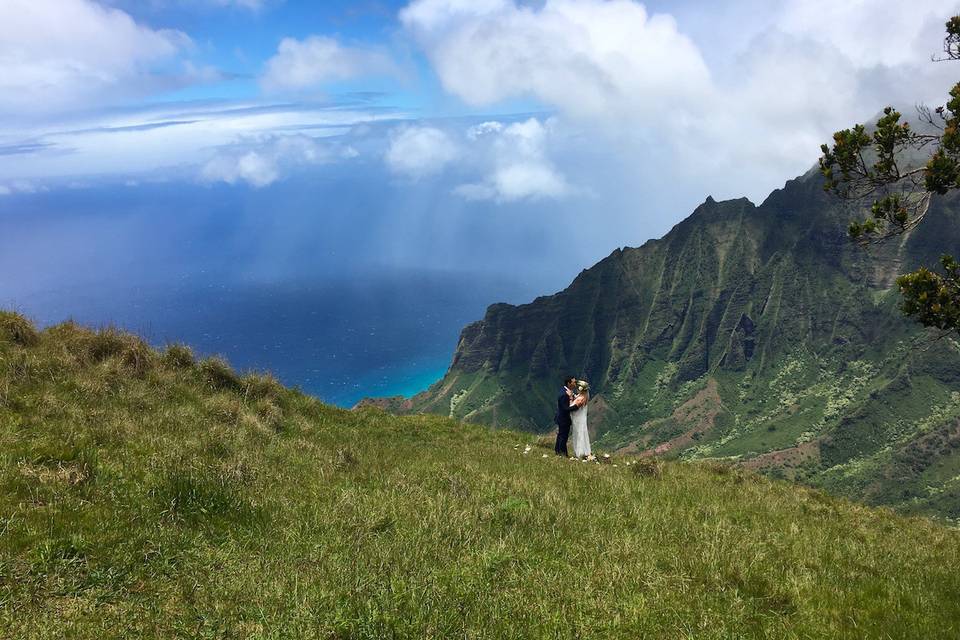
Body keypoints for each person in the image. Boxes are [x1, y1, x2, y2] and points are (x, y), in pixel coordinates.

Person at [554, 376, 584, 457]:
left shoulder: (567, 392)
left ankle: (558, 451)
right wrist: (577, 406)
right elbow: (565, 409)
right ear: (569, 383)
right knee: (563, 437)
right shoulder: (564, 394)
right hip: (563, 419)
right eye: (573, 382)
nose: (575, 384)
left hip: (562, 418)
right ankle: (563, 454)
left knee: (560, 435)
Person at [570, 380, 591, 458]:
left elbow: (573, 407)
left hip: (577, 418)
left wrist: (570, 398)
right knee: (581, 433)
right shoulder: (584, 397)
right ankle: (583, 451)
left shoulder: (580, 398)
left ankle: (580, 452)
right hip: (580, 418)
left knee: (578, 434)